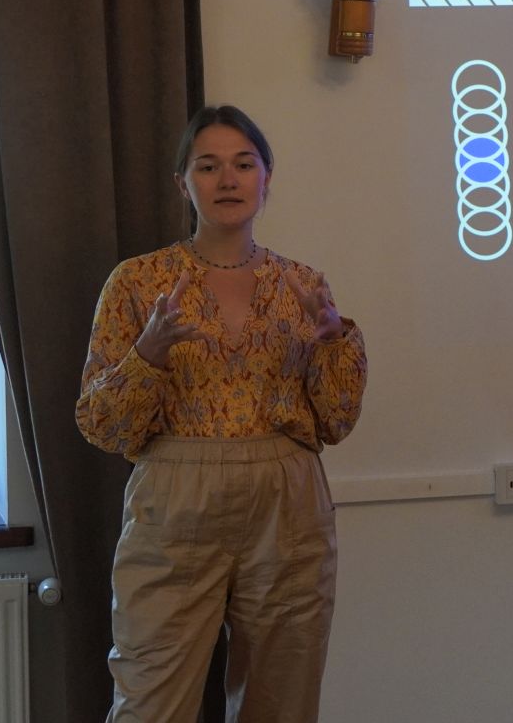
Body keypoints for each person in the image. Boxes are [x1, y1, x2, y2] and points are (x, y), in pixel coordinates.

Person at [76, 104, 367, 723]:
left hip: (287, 500)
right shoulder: (138, 282)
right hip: (174, 494)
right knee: (151, 697)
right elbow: (101, 424)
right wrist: (147, 353)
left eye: (244, 164)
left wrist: (333, 341)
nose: (228, 179)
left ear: (267, 178)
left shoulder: (302, 284)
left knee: (283, 698)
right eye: (208, 166)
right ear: (183, 184)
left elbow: (337, 420)